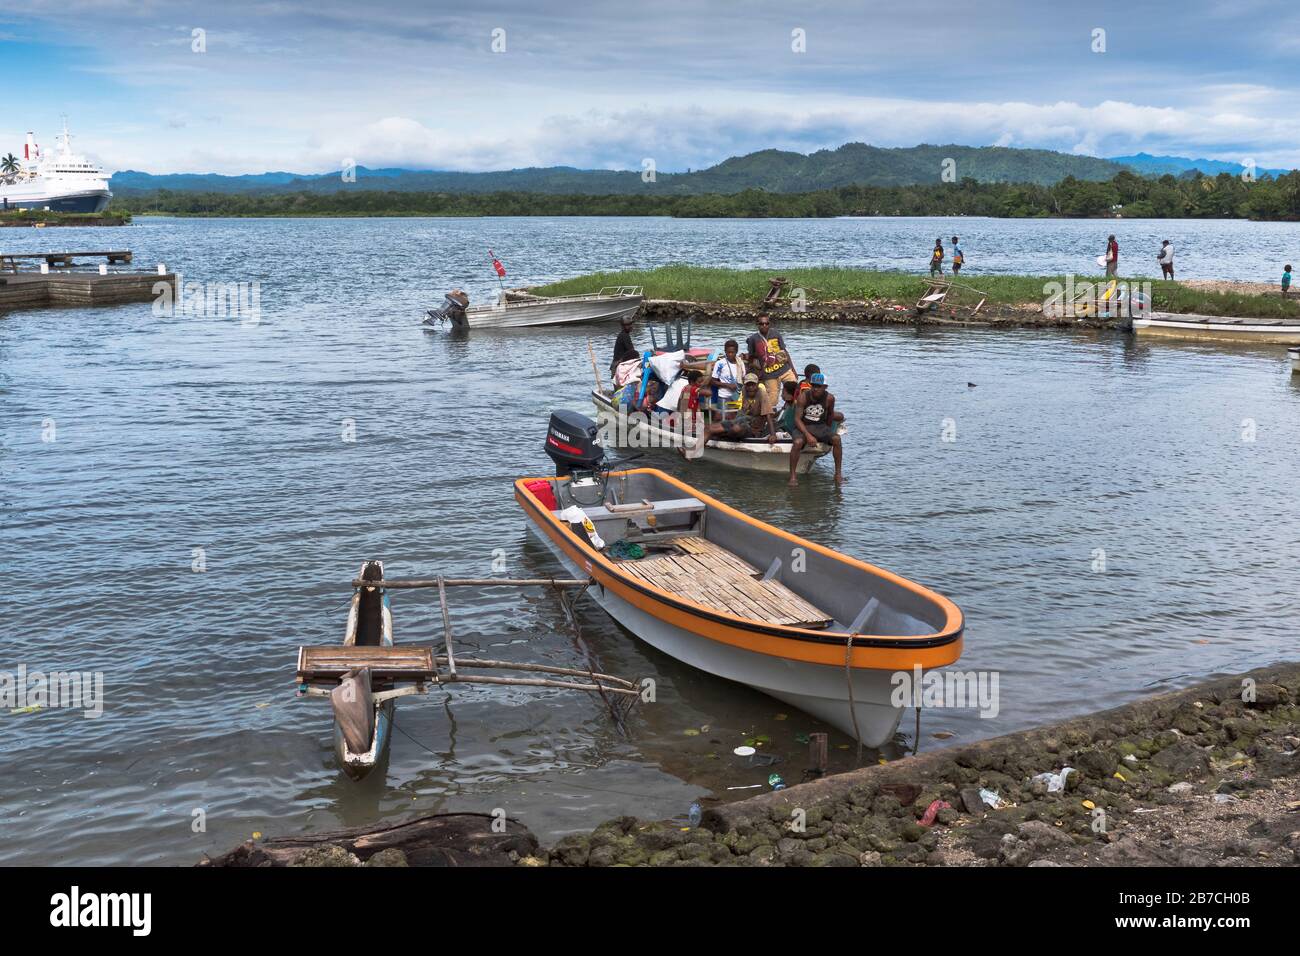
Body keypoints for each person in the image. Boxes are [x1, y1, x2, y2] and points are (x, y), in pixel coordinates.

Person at [788, 372, 843, 486]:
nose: (816, 389)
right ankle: (793, 476)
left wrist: (827, 433)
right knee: (798, 443)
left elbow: (830, 415)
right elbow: (797, 419)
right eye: (814, 386)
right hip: (803, 426)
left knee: (836, 439)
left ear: (825, 387)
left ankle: (838, 474)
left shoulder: (829, 398)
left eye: (819, 386)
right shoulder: (803, 397)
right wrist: (808, 435)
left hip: (820, 426)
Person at [705, 373, 775, 443]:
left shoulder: (762, 394)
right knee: (709, 428)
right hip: (740, 421)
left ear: (757, 385)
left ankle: (722, 434)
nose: (750, 387)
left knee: (736, 429)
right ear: (745, 385)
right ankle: (698, 449)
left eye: (753, 385)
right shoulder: (744, 390)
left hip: (752, 428)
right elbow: (739, 409)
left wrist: (773, 434)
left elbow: (768, 415)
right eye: (748, 385)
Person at [744, 315, 796, 407]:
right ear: (757, 324)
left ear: (769, 324)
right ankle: (772, 419)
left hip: (784, 369)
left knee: (795, 392)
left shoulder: (776, 334)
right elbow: (751, 357)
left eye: (766, 323)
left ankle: (788, 412)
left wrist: (793, 369)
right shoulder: (753, 339)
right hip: (769, 375)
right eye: (761, 324)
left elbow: (785, 352)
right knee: (772, 401)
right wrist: (756, 371)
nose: (764, 326)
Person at [709, 339, 745, 411]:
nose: (730, 354)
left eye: (732, 352)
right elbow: (712, 381)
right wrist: (728, 385)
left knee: (735, 418)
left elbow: (743, 379)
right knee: (725, 418)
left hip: (737, 397)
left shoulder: (740, 363)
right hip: (724, 397)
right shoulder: (720, 364)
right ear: (725, 351)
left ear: (736, 352)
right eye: (728, 352)